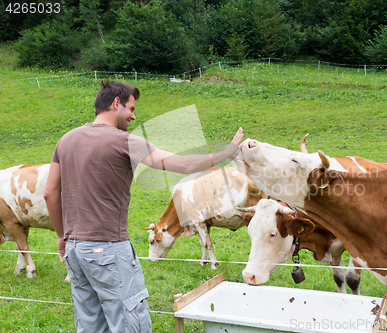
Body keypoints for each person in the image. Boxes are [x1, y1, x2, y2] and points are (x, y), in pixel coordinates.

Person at [43, 80, 244, 333]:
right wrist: (227, 151)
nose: (133, 116)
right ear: (116, 103)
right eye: (131, 108)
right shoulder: (125, 141)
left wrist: (62, 236)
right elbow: (185, 165)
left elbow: (50, 193)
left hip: (75, 250)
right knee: (130, 324)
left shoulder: (66, 140)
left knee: (90, 326)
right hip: (108, 250)